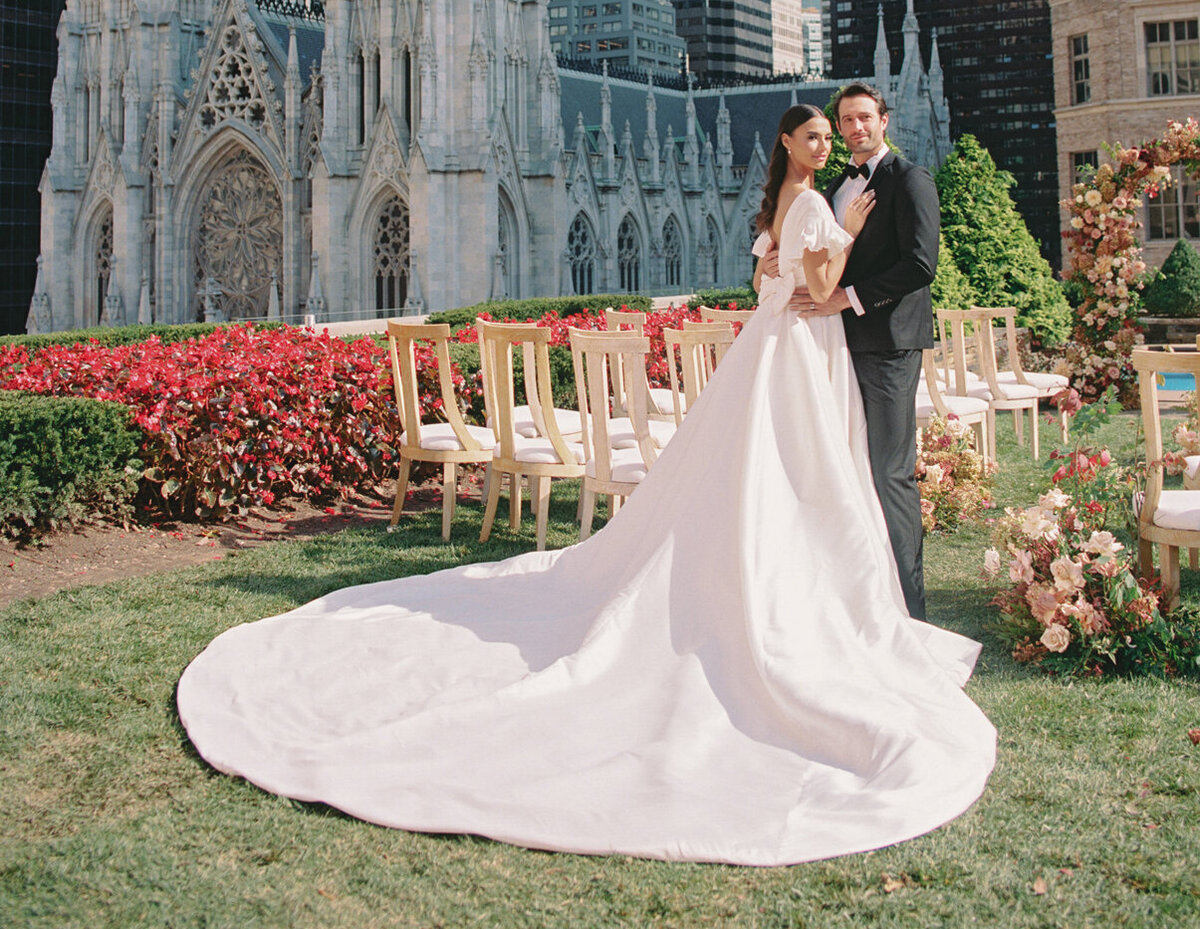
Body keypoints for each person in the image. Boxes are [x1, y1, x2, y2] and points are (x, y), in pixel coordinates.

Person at [177, 104, 993, 867]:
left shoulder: (788, 202)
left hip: (783, 352)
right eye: (820, 132)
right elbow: (817, 290)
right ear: (795, 143)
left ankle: (825, 598)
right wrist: (845, 235)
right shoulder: (819, 204)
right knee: (807, 484)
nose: (831, 141)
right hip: (800, 351)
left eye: (842, 128)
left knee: (780, 483)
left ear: (870, 125)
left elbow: (771, 283)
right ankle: (828, 607)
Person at [764, 85, 938, 621]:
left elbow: (919, 264)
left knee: (889, 472)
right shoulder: (834, 186)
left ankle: (910, 608)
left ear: (884, 121)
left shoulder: (910, 179)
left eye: (864, 117)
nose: (854, 128)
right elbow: (813, 253)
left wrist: (848, 297)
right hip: (833, 349)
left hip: (887, 344)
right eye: (845, 120)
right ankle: (858, 595)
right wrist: (775, 264)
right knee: (844, 469)